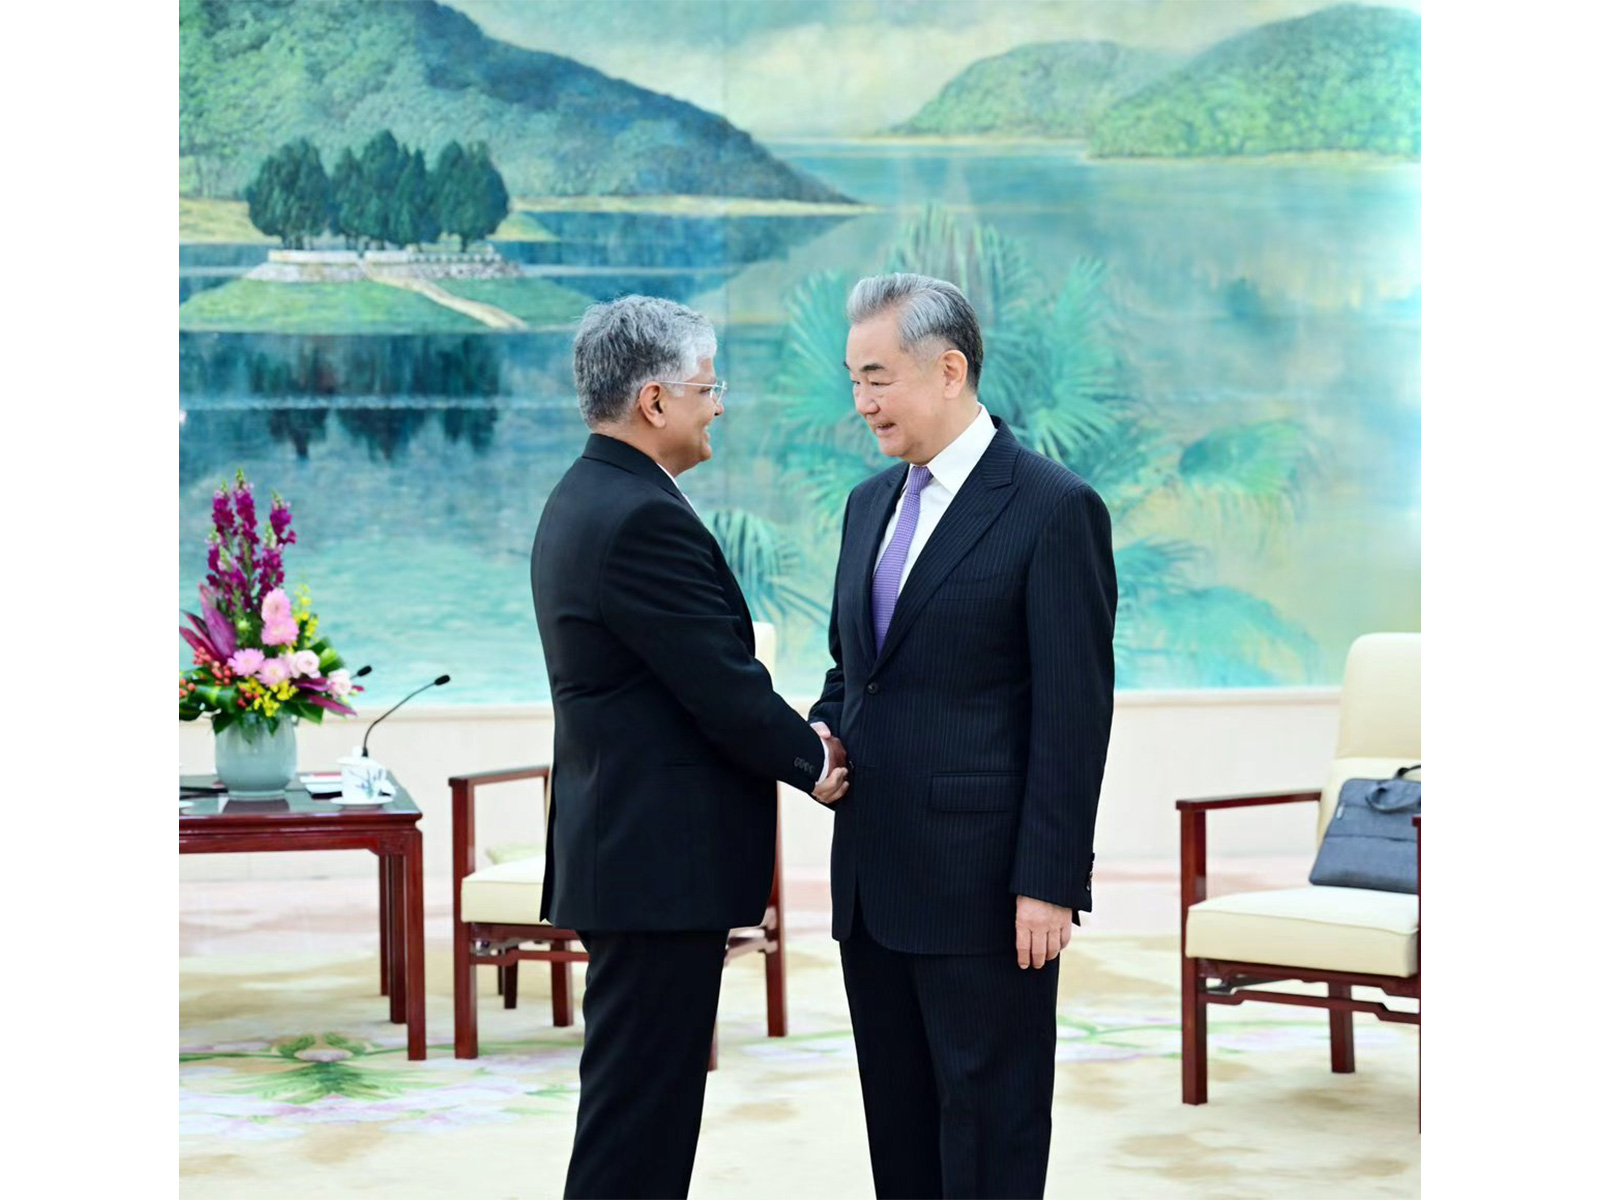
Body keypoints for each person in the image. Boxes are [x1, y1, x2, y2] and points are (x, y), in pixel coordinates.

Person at [531, 294, 849, 1199]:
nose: (720, 405)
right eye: (711, 388)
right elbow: (720, 684)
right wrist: (816, 763)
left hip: (629, 857)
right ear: (657, 400)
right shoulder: (639, 516)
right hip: (653, 867)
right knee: (639, 1123)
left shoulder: (585, 493)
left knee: (640, 1107)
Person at [809, 272, 1117, 1199]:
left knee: (990, 1130)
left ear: (949, 370)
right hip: (871, 883)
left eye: (877, 377)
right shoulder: (869, 504)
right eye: (853, 380)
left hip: (989, 895)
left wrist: (1048, 884)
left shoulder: (1054, 507)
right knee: (897, 1130)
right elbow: (853, 671)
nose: (862, 403)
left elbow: (1075, 714)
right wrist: (822, 735)